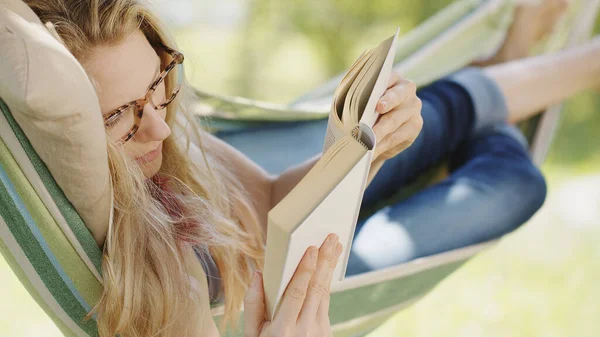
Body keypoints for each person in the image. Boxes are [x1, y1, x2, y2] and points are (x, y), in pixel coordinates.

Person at [23, 0, 600, 336]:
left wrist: (360, 154)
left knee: (432, 112)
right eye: (119, 117)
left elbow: (272, 195)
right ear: (73, 130)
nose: (160, 127)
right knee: (518, 183)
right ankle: (506, 76)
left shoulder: (164, 144)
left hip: (289, 220)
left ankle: (510, 73)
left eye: (158, 86)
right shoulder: (150, 263)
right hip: (321, 277)